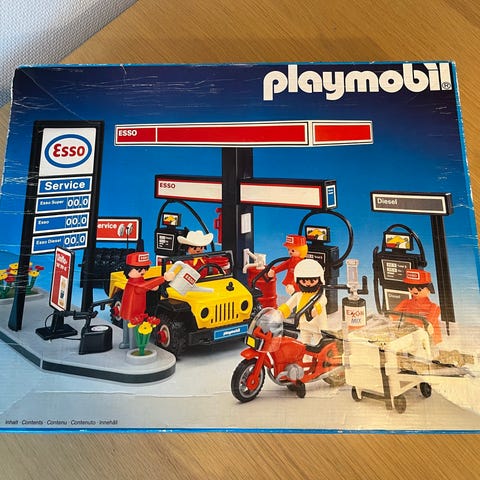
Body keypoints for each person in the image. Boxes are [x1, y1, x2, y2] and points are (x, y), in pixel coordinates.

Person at [119, 251, 176, 349]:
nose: (142, 272)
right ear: (128, 269)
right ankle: (133, 347)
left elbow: (146, 285)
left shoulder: (136, 281)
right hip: (134, 312)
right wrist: (163, 278)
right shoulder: (135, 284)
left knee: (127, 327)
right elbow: (143, 287)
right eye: (139, 269)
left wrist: (152, 286)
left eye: (145, 269)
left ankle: (126, 342)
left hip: (130, 310)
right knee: (133, 329)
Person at [277, 258, 327, 346]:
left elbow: (323, 301)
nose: (308, 284)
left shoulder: (319, 296)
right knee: (303, 345)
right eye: (304, 281)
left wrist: (316, 309)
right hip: (303, 324)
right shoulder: (298, 295)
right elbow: (289, 304)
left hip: (317, 325)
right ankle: (305, 355)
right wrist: (281, 312)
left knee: (319, 344)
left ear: (320, 280)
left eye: (312, 281)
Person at [393, 269, 442, 344]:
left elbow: (429, 325)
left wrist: (427, 326)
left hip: (427, 340)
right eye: (411, 287)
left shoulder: (434, 307)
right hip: (407, 335)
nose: (414, 290)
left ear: (429, 288)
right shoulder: (405, 303)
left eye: (419, 288)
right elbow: (392, 316)